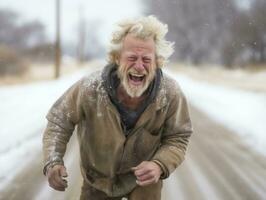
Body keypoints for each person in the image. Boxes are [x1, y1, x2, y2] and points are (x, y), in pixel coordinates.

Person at [42, 15, 193, 200]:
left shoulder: (170, 93)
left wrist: (159, 165)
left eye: (146, 59)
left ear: (157, 61)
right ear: (117, 58)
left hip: (144, 183)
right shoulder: (90, 88)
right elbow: (59, 122)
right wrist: (52, 161)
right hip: (97, 180)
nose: (139, 66)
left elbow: (178, 137)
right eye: (131, 58)